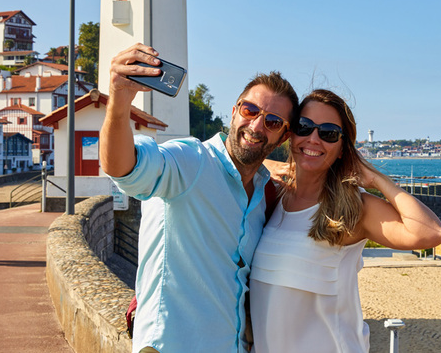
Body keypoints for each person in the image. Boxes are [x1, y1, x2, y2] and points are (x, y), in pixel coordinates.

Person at [100, 43, 299, 353]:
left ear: (283, 136)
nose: (257, 125)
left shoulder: (262, 195)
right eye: (250, 111)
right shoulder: (190, 161)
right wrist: (119, 99)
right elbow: (124, 168)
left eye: (272, 122)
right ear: (234, 113)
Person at [250, 89, 441, 353]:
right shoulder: (273, 196)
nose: (313, 138)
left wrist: (378, 180)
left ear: (343, 148)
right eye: (304, 127)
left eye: (328, 133)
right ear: (290, 134)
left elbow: (431, 232)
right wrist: (267, 164)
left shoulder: (352, 207)